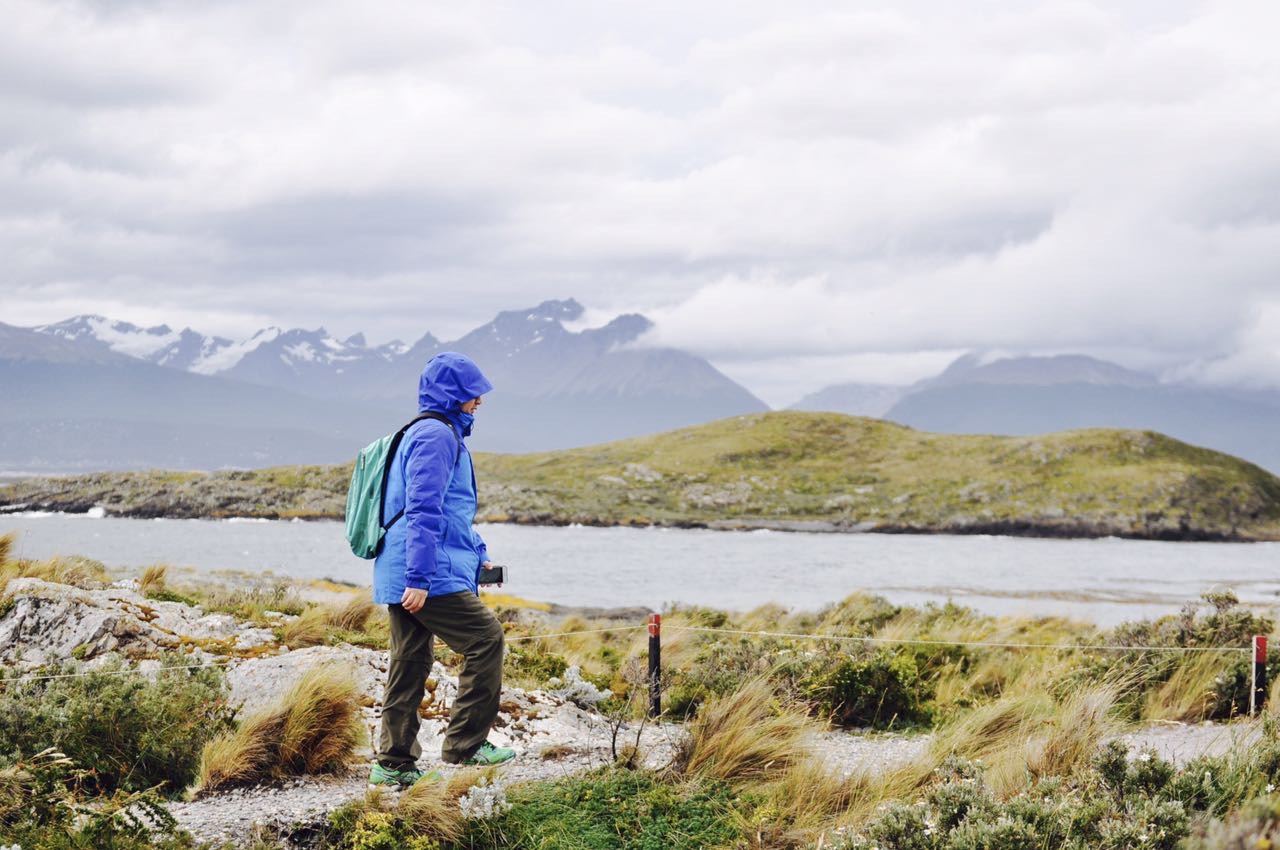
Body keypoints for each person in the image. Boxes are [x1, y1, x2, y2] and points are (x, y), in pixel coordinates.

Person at [369, 351, 515, 788]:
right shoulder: (436, 436)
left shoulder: (435, 432)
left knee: (411, 661)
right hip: (425, 573)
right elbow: (423, 509)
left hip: (408, 568)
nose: (480, 402)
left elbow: (449, 511)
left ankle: (393, 764)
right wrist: (419, 578)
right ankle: (466, 746)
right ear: (453, 394)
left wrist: (478, 550)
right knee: (486, 639)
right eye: (473, 393)